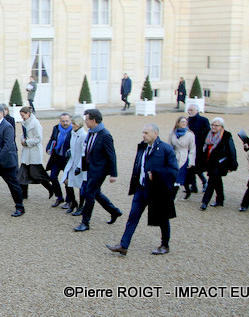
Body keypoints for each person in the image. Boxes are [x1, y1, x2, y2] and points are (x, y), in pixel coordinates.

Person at [107, 123, 178, 256]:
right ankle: (123, 245)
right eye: (143, 133)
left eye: (146, 133)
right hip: (141, 188)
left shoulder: (165, 149)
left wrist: (156, 173)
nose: (143, 136)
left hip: (157, 190)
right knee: (133, 216)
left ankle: (165, 244)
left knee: (162, 217)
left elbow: (174, 171)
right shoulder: (143, 147)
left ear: (155, 134)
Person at [74, 109, 121, 232]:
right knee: (96, 193)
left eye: (87, 120)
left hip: (99, 170)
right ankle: (114, 211)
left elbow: (112, 155)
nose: (85, 122)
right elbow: (87, 150)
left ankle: (85, 222)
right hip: (90, 168)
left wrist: (113, 174)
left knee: (89, 193)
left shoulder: (105, 135)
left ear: (94, 121)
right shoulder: (91, 132)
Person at [17, 106, 57, 200]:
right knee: (23, 174)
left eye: (23, 115)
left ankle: (51, 188)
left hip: (34, 152)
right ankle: (24, 194)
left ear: (28, 114)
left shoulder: (35, 123)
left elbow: (39, 138)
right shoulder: (26, 122)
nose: (22, 117)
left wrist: (27, 142)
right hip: (27, 152)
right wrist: (23, 140)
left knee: (37, 174)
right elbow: (23, 135)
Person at [199, 117, 238, 210]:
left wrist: (232, 165)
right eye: (212, 125)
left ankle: (205, 202)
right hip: (209, 162)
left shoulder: (226, 136)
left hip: (220, 163)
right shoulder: (207, 134)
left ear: (221, 126)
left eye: (217, 125)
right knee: (217, 181)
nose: (214, 127)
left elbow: (232, 151)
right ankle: (220, 200)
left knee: (211, 182)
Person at [46, 112, 73, 208]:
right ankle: (59, 197)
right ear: (60, 121)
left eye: (67, 121)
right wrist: (48, 148)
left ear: (70, 120)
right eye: (63, 121)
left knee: (67, 180)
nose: (65, 123)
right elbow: (52, 139)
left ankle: (69, 200)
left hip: (67, 159)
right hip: (56, 157)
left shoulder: (73, 130)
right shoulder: (56, 128)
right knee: (53, 177)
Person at [62, 115, 88, 215]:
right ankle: (73, 203)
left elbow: (84, 153)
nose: (72, 125)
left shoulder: (84, 135)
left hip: (80, 164)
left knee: (81, 186)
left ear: (78, 124)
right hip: (72, 162)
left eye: (73, 124)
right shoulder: (73, 133)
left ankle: (81, 207)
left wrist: (80, 166)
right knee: (67, 181)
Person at [168, 116, 196, 199]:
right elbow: (169, 146)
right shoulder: (172, 133)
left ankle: (172, 197)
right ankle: (188, 191)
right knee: (174, 176)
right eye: (182, 122)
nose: (184, 123)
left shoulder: (190, 134)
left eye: (185, 122)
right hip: (174, 156)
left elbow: (192, 148)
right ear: (178, 123)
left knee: (178, 178)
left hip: (184, 157)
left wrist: (191, 161)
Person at [186, 104, 210, 193]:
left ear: (197, 111)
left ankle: (204, 182)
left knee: (198, 167)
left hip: (199, 147)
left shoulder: (203, 120)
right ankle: (194, 186)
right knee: (190, 166)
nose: (189, 111)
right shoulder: (187, 120)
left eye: (191, 110)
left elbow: (208, 132)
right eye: (189, 110)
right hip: (189, 146)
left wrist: (203, 143)